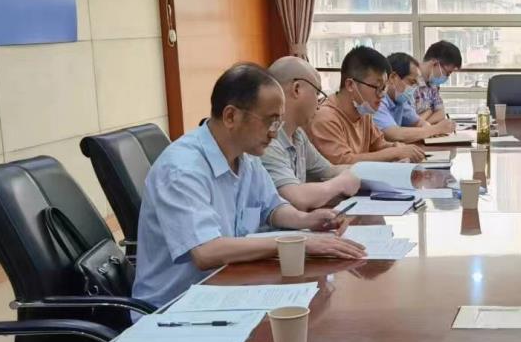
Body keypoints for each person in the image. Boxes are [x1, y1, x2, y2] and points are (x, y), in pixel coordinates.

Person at [133, 63, 366, 308]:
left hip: (229, 288)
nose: (274, 133)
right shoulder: (182, 168)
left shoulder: (246, 157)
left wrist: (305, 220)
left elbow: (272, 208)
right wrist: (297, 242)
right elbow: (206, 252)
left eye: (279, 123)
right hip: (174, 307)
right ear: (231, 116)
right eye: (270, 122)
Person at [261, 56, 363, 210]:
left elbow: (328, 171)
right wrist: (340, 184)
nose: (319, 104)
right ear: (296, 89)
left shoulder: (298, 135)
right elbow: (297, 198)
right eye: (317, 93)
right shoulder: (266, 140)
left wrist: (374, 172)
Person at [308, 46, 426, 165]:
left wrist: (395, 147)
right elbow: (343, 162)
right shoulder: (325, 118)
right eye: (377, 88)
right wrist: (394, 153)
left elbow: (378, 145)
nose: (382, 95)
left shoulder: (364, 111)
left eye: (384, 88)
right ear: (350, 85)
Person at [373, 52, 458, 143]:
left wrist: (428, 127)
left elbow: (417, 122)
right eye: (412, 82)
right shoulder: (378, 100)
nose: (413, 88)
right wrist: (436, 129)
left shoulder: (399, 101)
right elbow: (394, 134)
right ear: (393, 77)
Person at [414, 40, 463, 124]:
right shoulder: (409, 81)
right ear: (435, 63)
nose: (446, 77)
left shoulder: (432, 84)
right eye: (447, 73)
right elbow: (408, 124)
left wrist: (423, 124)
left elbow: (441, 114)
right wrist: (429, 111)